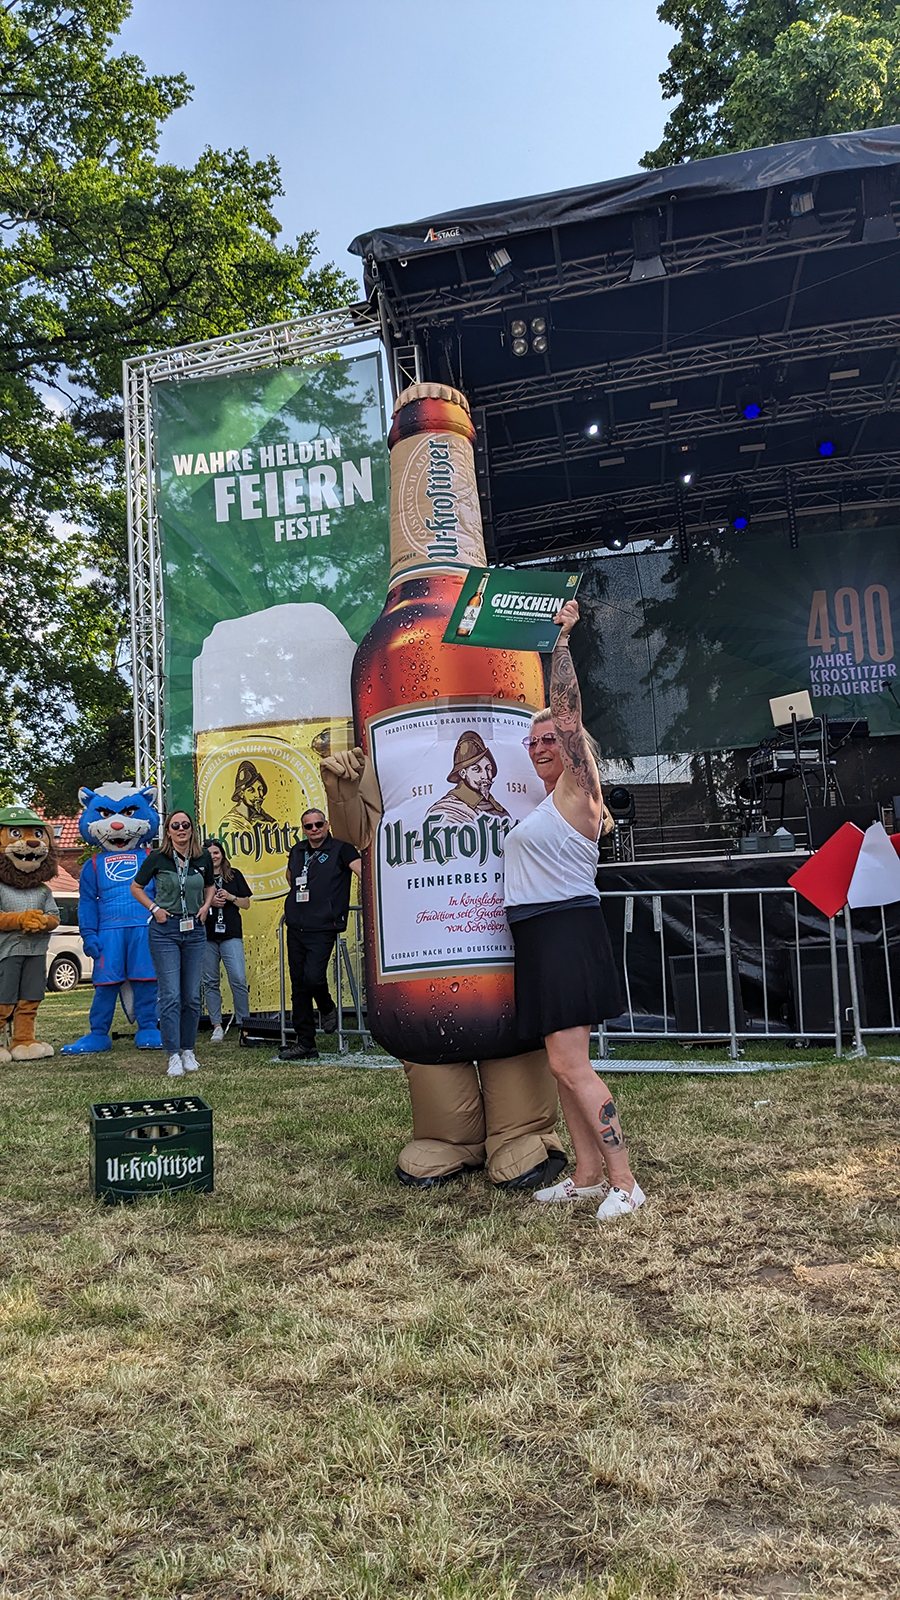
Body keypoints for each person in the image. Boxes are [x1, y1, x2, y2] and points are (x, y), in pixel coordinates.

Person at [503, 599, 646, 1220]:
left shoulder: (578, 788)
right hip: (538, 934)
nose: (539, 745)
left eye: (549, 738)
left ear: (570, 745)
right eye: (530, 740)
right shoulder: (541, 805)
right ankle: (587, 1175)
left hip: (566, 928)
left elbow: (565, 711)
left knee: (569, 1062)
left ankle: (625, 1183)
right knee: (561, 1067)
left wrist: (559, 640)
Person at [131, 811, 215, 1078]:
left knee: (191, 995)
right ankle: (172, 1055)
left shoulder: (202, 858)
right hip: (165, 930)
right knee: (170, 995)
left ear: (192, 829)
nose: (180, 829)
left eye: (185, 825)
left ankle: (188, 1049)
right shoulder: (157, 857)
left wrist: (206, 906)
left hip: (195, 930)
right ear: (167, 831)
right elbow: (135, 887)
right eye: (175, 826)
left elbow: (210, 886)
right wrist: (154, 908)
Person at [280, 807, 361, 1061]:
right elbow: (291, 876)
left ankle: (327, 1007)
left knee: (313, 978)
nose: (314, 830)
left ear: (326, 825)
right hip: (296, 925)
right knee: (299, 986)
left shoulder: (341, 848)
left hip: (324, 925)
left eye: (318, 824)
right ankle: (305, 1043)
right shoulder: (298, 850)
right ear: (302, 829)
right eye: (308, 826)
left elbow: (363, 872)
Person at [202, 839, 252, 1041]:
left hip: (230, 933)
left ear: (222, 854)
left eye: (216, 852)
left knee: (238, 978)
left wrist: (231, 897)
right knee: (211, 981)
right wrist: (209, 901)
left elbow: (246, 904)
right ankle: (217, 1026)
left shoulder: (234, 875)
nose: (213, 856)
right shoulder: (198, 877)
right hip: (206, 935)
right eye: (209, 853)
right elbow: (191, 902)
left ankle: (244, 1024)